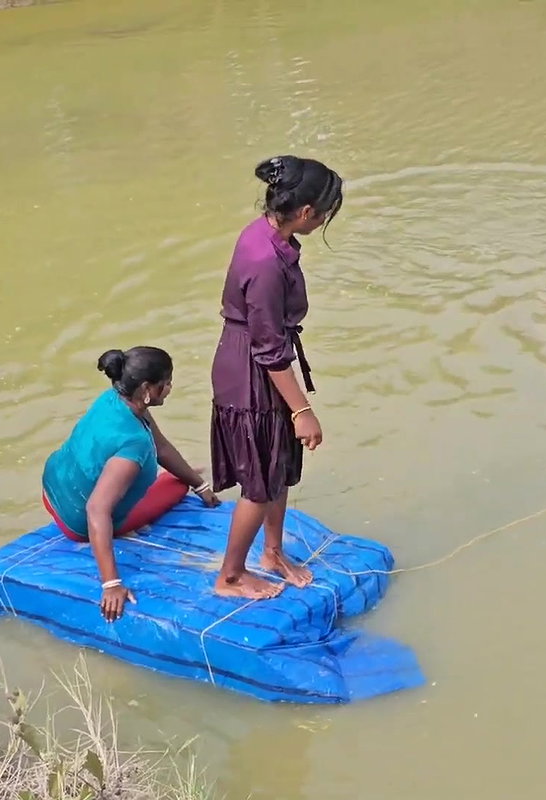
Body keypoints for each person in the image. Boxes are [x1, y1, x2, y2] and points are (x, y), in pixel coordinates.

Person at [209, 154, 344, 600]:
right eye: (323, 213)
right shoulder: (266, 261)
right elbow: (268, 352)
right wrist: (303, 411)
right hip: (252, 371)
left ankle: (272, 553)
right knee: (260, 482)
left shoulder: (265, 232)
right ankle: (230, 577)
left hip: (256, 358)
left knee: (278, 467)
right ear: (305, 212)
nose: (323, 220)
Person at [42, 346, 219, 621]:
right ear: (147, 389)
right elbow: (96, 509)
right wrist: (111, 584)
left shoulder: (114, 398)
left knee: (179, 478)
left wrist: (200, 485)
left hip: (52, 491)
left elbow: (161, 448)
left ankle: (178, 479)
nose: (170, 388)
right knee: (175, 486)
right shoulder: (134, 444)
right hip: (76, 522)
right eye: (166, 383)